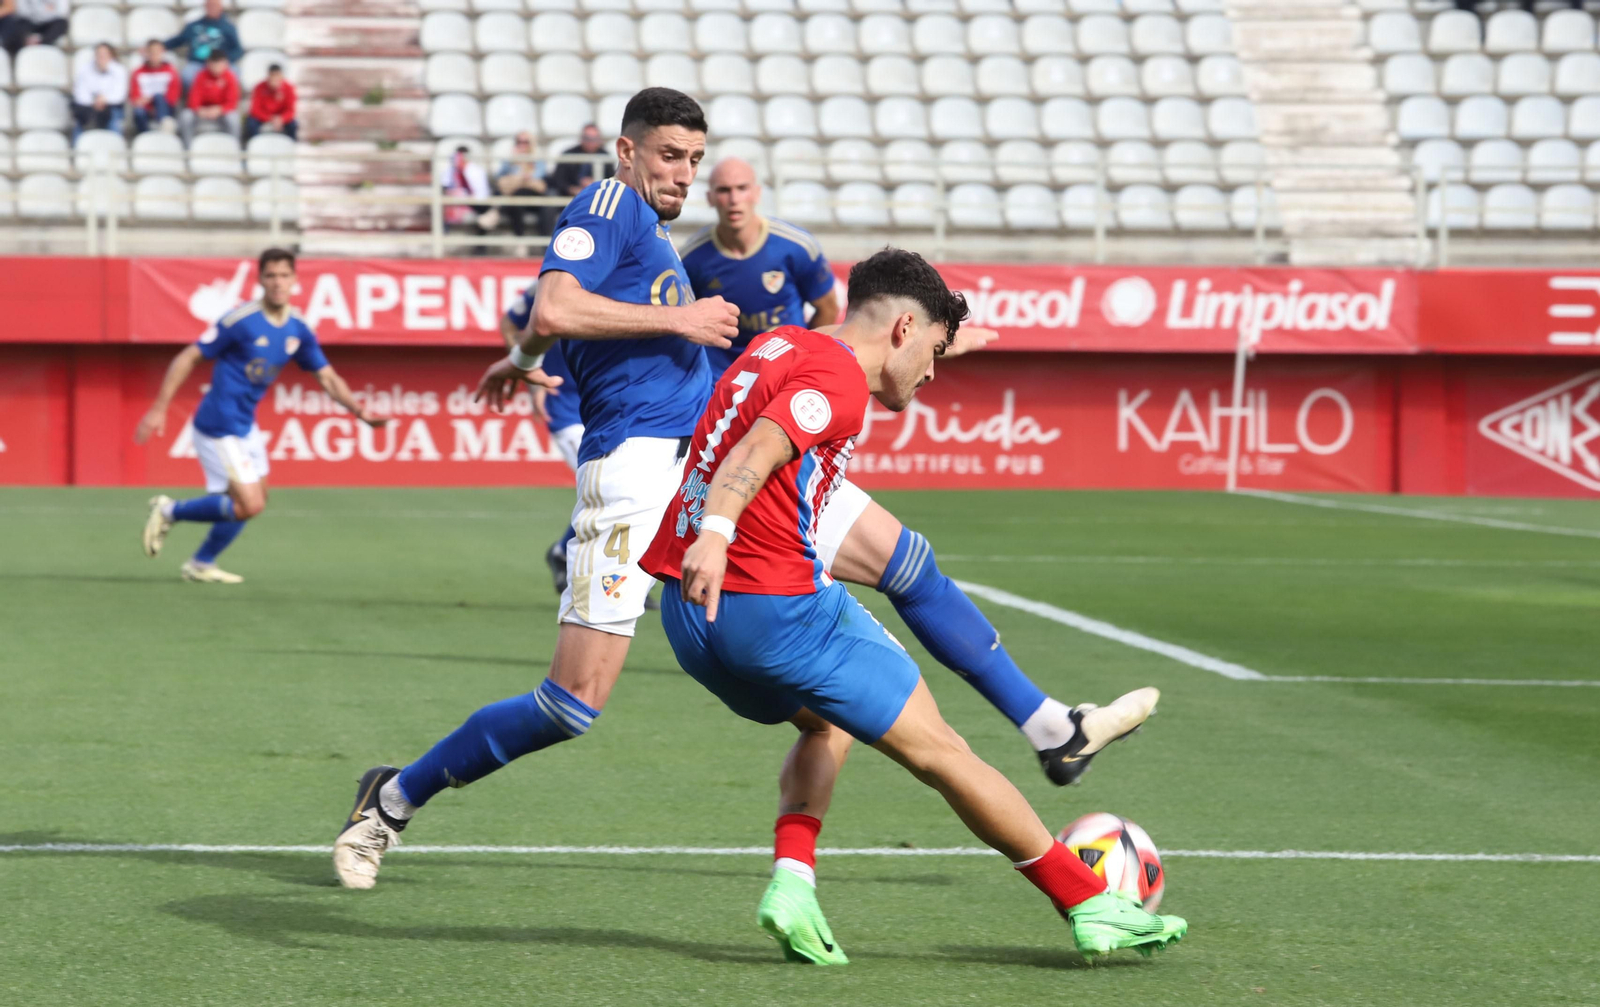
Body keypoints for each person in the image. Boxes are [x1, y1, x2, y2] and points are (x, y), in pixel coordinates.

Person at [641, 248, 1186, 964]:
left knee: (826, 723)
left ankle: (793, 882)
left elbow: (764, 422)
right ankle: (1088, 901)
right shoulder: (837, 383)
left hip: (690, 619)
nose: (934, 372)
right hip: (772, 609)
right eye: (932, 350)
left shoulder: (785, 345)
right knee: (944, 752)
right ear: (902, 327)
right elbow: (758, 448)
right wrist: (717, 531)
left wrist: (708, 544)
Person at [331, 87, 740, 889]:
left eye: (694, 158)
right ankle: (392, 798)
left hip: (694, 470)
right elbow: (556, 300)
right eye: (669, 154)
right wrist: (680, 321)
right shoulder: (611, 199)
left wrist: (519, 363)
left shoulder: (645, 233)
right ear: (627, 153)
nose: (684, 173)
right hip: (632, 472)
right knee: (571, 704)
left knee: (821, 621)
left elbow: (547, 320)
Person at [683, 157, 1103, 786]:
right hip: (732, 455)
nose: (731, 197)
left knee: (909, 565)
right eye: (718, 186)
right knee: (578, 694)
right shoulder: (691, 262)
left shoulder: (794, 252)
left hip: (778, 440)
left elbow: (842, 329)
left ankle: (1047, 726)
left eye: (740, 185)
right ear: (710, 198)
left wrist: (908, 345)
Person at [136, 249, 387, 583]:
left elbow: (326, 376)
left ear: (295, 280)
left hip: (245, 425)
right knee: (248, 504)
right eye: (271, 276)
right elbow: (188, 357)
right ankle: (168, 510)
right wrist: (159, 407)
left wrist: (358, 410)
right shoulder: (240, 321)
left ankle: (201, 564)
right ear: (260, 280)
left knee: (255, 500)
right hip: (218, 425)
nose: (278, 283)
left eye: (284, 275)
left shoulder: (298, 329)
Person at [500, 282, 583, 595]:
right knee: (603, 486)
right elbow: (509, 324)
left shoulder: (623, 280)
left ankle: (563, 552)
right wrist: (528, 373)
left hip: (605, 402)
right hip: (562, 405)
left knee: (616, 489)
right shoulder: (548, 286)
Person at [539, 123, 614, 235]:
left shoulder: (605, 156)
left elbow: (611, 180)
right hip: (567, 196)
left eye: (594, 138)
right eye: (587, 138)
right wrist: (572, 189)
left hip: (596, 197)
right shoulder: (568, 154)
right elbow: (557, 179)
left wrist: (594, 185)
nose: (590, 141)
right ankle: (546, 244)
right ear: (581, 138)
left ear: (599, 140)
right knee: (549, 203)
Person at [166, 0, 241, 89]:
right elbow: (179, 40)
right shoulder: (193, 26)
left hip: (219, 63)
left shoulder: (228, 27)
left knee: (234, 73)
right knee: (187, 74)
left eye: (215, 5)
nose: (212, 8)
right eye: (210, 5)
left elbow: (238, 49)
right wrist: (162, 46)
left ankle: (223, 101)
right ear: (205, 7)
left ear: (221, 7)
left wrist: (225, 61)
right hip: (198, 63)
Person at [495, 132, 548, 238]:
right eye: (519, 142)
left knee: (517, 197)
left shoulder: (537, 158)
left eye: (525, 142)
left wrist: (525, 174)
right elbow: (499, 176)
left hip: (531, 193)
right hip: (514, 194)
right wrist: (513, 161)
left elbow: (540, 174)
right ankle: (520, 239)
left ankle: (496, 212)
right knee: (516, 203)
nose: (522, 145)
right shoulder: (511, 159)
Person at [180, 50, 240, 144]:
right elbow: (193, 98)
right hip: (202, 112)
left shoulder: (230, 77)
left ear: (225, 64)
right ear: (208, 63)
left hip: (221, 113)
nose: (216, 68)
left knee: (233, 118)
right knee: (186, 116)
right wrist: (200, 110)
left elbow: (232, 102)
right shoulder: (201, 76)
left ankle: (234, 147)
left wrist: (219, 110)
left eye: (219, 64)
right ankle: (188, 147)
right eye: (214, 64)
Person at [71, 41, 127, 139]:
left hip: (111, 106)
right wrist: (95, 101)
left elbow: (119, 95)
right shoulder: (85, 70)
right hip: (89, 106)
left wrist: (103, 100)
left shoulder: (119, 70)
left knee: (114, 118)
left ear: (111, 56)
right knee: (79, 119)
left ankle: (117, 149)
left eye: (105, 54)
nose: (102, 57)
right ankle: (76, 150)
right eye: (99, 54)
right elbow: (80, 94)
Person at [128, 39, 181, 135]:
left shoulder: (170, 71)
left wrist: (153, 101)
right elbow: (135, 98)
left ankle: (165, 127)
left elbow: (173, 97)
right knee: (138, 112)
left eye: (157, 52)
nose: (154, 55)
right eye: (152, 52)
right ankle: (145, 136)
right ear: (146, 53)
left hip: (165, 107)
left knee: (158, 97)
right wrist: (149, 105)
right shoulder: (138, 72)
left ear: (163, 53)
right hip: (145, 108)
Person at [244, 63, 297, 142]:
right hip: (264, 116)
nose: (275, 81)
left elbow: (291, 110)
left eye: (277, 77)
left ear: (281, 77)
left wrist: (281, 119)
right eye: (273, 77)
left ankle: (292, 146)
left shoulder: (289, 88)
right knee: (251, 123)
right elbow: (255, 110)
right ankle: (253, 145)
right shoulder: (259, 87)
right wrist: (270, 118)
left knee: (293, 125)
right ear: (268, 77)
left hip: (281, 117)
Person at [0, 0, 68, 57]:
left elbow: (61, 12)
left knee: (62, 24)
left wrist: (43, 13)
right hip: (28, 22)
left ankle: (40, 42)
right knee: (14, 24)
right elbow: (21, 11)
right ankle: (24, 43)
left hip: (49, 22)